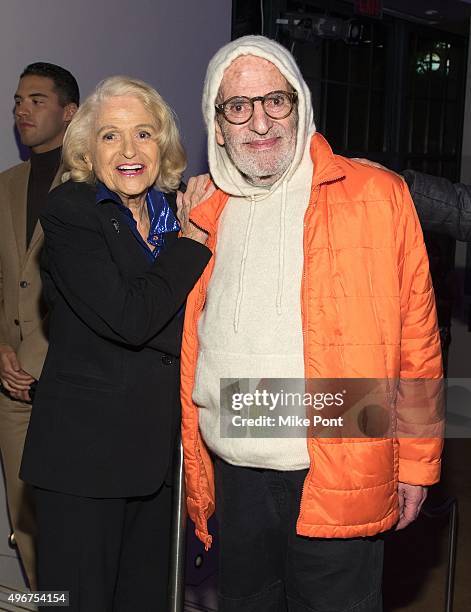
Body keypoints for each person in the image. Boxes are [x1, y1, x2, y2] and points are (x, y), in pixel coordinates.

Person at [180, 36, 443, 611]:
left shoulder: (375, 195)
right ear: (217, 124)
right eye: (238, 106)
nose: (260, 121)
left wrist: (418, 463)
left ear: (300, 104)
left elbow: (418, 341)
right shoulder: (204, 213)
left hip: (340, 463)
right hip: (236, 471)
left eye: (276, 100)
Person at [19, 76, 211, 611]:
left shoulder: (175, 212)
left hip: (156, 459)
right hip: (83, 464)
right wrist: (193, 245)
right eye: (110, 136)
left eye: (144, 133)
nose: (129, 150)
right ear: (85, 147)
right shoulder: (71, 212)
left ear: (163, 145)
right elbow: (130, 317)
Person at [0, 62, 79, 589]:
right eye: (17, 101)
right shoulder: (5, 185)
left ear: (69, 113)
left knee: (75, 520)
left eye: (36, 100)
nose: (21, 109)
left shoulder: (95, 185)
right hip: (12, 387)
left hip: (73, 386)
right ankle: (48, 601)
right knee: (25, 519)